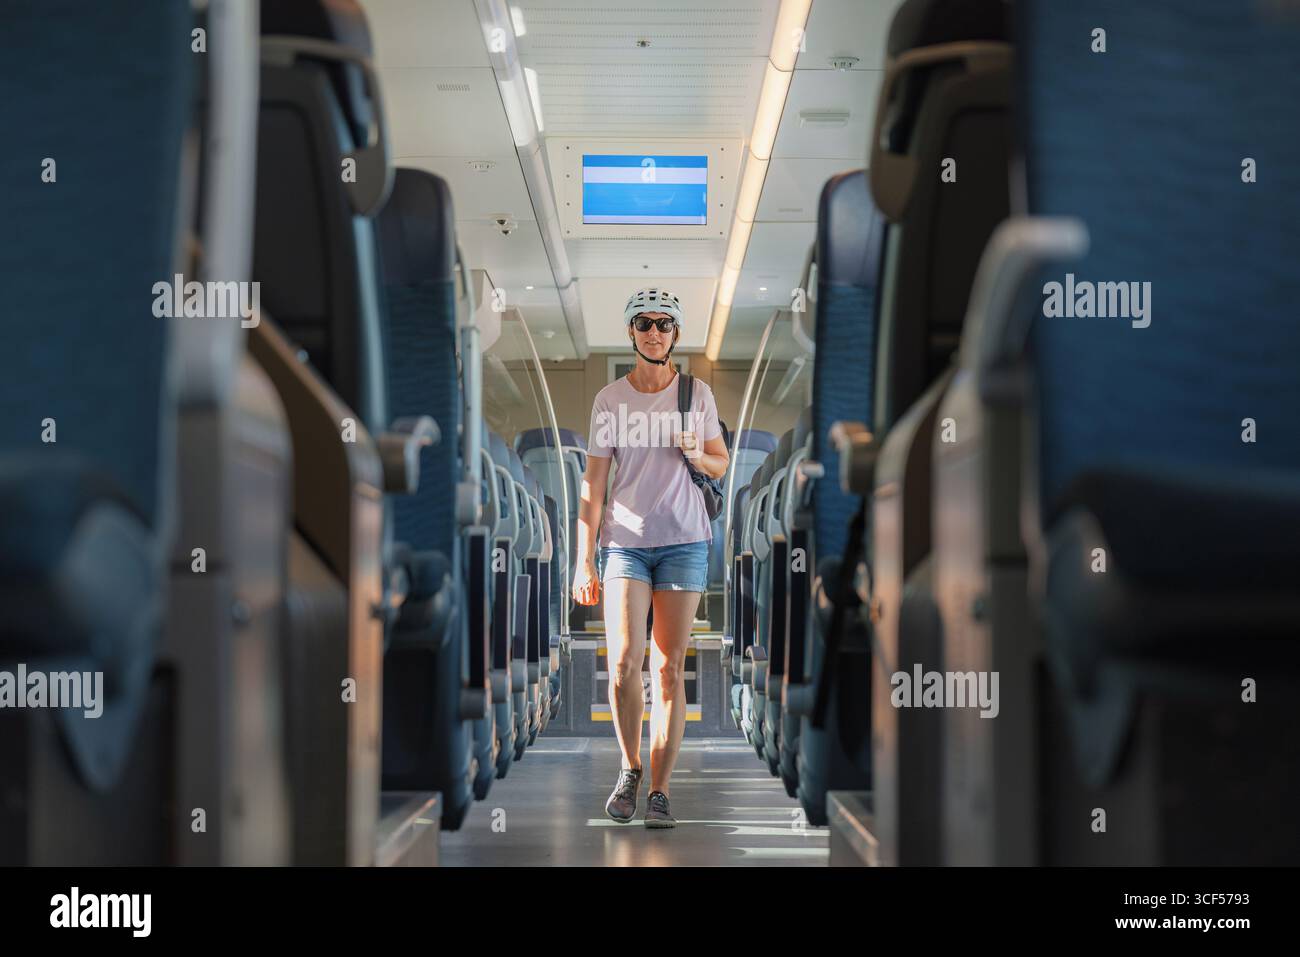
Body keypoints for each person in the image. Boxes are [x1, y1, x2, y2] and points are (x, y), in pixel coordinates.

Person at [571, 288, 730, 828]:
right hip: (625, 545)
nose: (655, 332)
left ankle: (660, 791)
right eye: (645, 323)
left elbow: (721, 464)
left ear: (675, 334)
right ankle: (630, 767)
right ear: (632, 332)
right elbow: (593, 486)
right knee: (623, 664)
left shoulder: (697, 394)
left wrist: (694, 452)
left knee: (666, 669)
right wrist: (582, 560)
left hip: (685, 542)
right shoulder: (609, 402)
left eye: (664, 324)